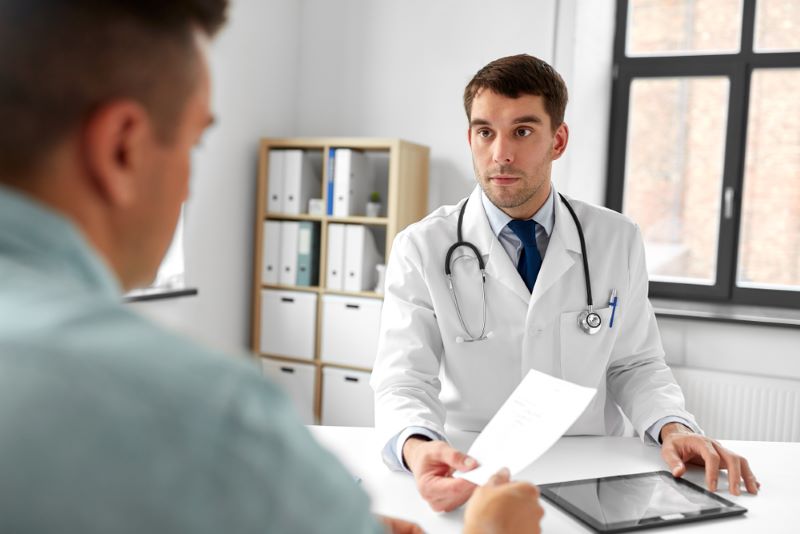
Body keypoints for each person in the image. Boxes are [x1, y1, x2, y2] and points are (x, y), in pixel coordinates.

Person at [0, 2, 542, 533]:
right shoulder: (200, 409)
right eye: (195, 141)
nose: (189, 184)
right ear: (122, 149)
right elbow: (401, 374)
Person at [370, 54, 760, 513]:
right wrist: (418, 447)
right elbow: (403, 379)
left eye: (522, 130)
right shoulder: (421, 246)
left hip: (591, 470)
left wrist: (675, 428)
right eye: (485, 132)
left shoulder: (616, 238)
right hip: (471, 468)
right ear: (470, 137)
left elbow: (634, 364)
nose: (501, 154)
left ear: (558, 139)